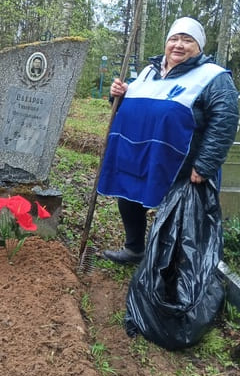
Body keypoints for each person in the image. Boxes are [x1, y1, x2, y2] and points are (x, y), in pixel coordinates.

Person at [98, 16, 239, 265]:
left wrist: (205, 164)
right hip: (141, 157)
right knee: (129, 200)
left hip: (182, 165)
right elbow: (131, 107)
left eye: (187, 40)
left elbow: (225, 121)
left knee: (177, 216)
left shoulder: (213, 78)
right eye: (174, 38)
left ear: (199, 46)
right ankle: (134, 250)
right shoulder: (149, 72)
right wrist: (117, 95)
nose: (179, 45)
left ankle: (168, 267)